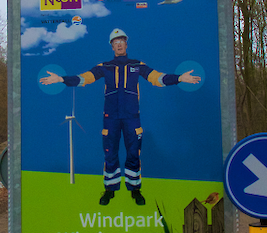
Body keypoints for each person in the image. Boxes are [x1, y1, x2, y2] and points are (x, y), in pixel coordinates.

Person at [40, 28, 201, 206]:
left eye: (121, 41)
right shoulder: (104, 67)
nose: (118, 44)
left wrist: (179, 78)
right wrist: (61, 79)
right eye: (115, 42)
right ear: (112, 46)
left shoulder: (137, 65)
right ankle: (110, 189)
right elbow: (84, 78)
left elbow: (157, 78)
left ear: (126, 43)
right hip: (111, 118)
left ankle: (135, 189)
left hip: (132, 117)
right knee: (110, 154)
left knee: (133, 153)